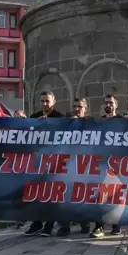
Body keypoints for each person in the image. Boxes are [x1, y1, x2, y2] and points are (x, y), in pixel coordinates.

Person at [24, 91, 65, 237]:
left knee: (52, 194)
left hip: (54, 161)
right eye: (42, 101)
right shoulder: (35, 117)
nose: (45, 104)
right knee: (36, 193)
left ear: (54, 102)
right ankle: (36, 223)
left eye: (47, 101)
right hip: (38, 161)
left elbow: (66, 136)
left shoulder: (60, 117)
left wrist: (50, 125)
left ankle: (49, 225)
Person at [90, 94, 123, 238]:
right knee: (100, 194)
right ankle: (99, 226)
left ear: (116, 105)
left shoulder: (123, 121)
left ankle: (116, 225)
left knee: (117, 194)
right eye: (105, 103)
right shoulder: (98, 122)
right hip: (102, 163)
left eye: (110, 102)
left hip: (118, 163)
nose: (108, 105)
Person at [57, 98, 91, 237]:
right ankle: (64, 226)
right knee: (64, 195)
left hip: (84, 166)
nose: (77, 109)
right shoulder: (66, 122)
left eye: (80, 106)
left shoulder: (90, 123)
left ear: (85, 109)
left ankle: (85, 223)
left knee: (82, 195)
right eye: (75, 106)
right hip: (67, 165)